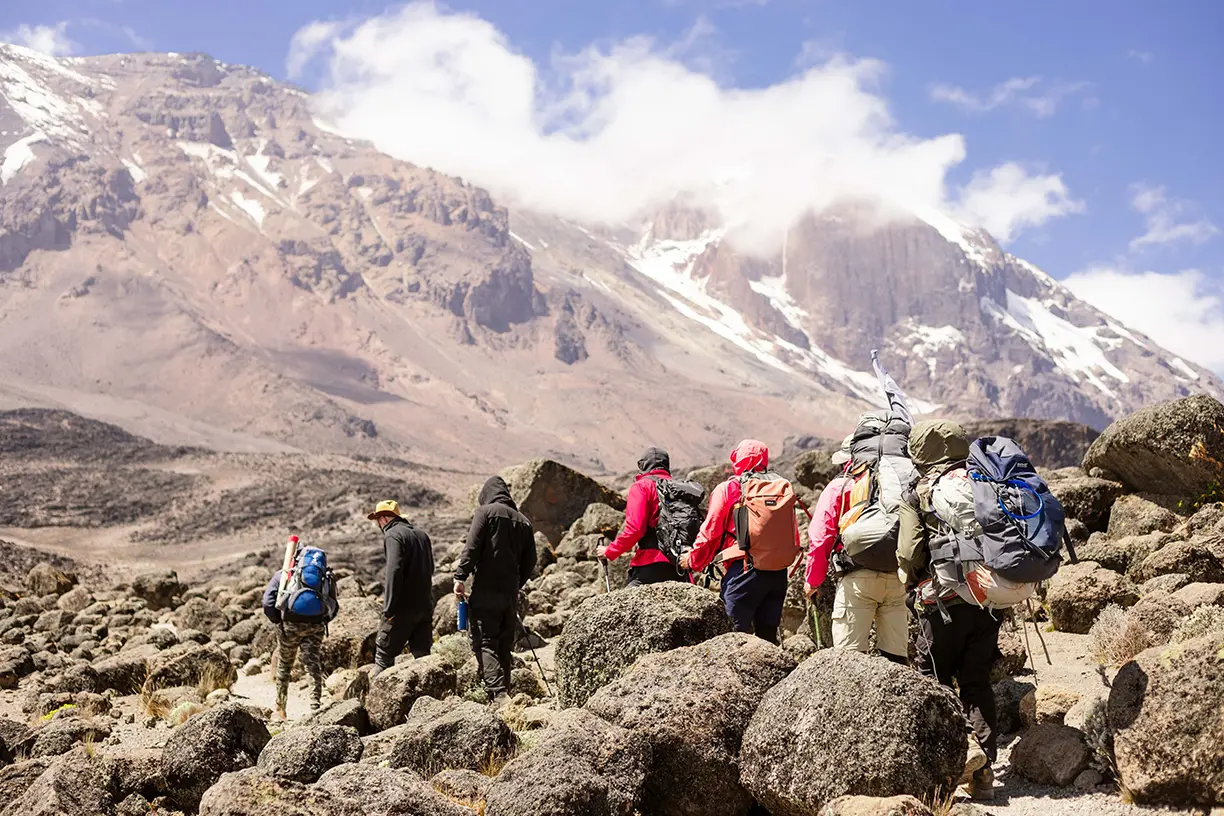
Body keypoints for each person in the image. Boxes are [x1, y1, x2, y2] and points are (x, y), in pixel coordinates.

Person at [897, 419, 998, 801]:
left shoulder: (920, 492)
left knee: (933, 681)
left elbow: (909, 551)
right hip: (987, 597)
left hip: (941, 601)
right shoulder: (985, 481)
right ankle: (984, 770)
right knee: (976, 682)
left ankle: (945, 770)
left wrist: (908, 581)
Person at [681, 439, 799, 643]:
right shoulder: (780, 488)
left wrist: (693, 560)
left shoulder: (729, 488)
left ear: (739, 460)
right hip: (778, 572)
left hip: (744, 570)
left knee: (731, 639)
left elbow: (710, 531)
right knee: (768, 640)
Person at [808, 434, 910, 665]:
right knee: (896, 659)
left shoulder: (841, 486)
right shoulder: (896, 483)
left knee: (849, 661)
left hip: (856, 578)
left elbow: (820, 537)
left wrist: (813, 581)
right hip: (897, 576)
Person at [454, 476, 537, 705]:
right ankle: (505, 696)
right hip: (510, 594)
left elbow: (472, 547)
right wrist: (515, 584)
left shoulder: (486, 513)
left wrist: (460, 576)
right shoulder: (524, 522)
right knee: (503, 644)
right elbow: (531, 561)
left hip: (486, 589)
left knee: (485, 642)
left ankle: (499, 695)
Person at [261, 543, 337, 720]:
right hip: (315, 625)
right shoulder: (324, 577)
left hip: (289, 625)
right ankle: (315, 706)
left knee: (284, 665)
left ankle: (281, 709)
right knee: (312, 665)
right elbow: (333, 604)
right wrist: (322, 621)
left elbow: (267, 602)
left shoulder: (285, 575)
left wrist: (277, 620)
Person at [596, 447, 684, 587]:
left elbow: (635, 529)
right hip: (680, 565)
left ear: (643, 465)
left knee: (627, 606)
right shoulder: (680, 489)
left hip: (650, 564)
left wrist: (610, 551)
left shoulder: (642, 487)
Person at [369, 499, 435, 676]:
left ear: (382, 519)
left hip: (402, 610)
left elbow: (394, 572)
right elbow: (431, 568)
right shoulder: (421, 535)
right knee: (423, 660)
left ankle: (373, 702)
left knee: (383, 658)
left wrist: (389, 609)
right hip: (424, 607)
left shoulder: (393, 535)